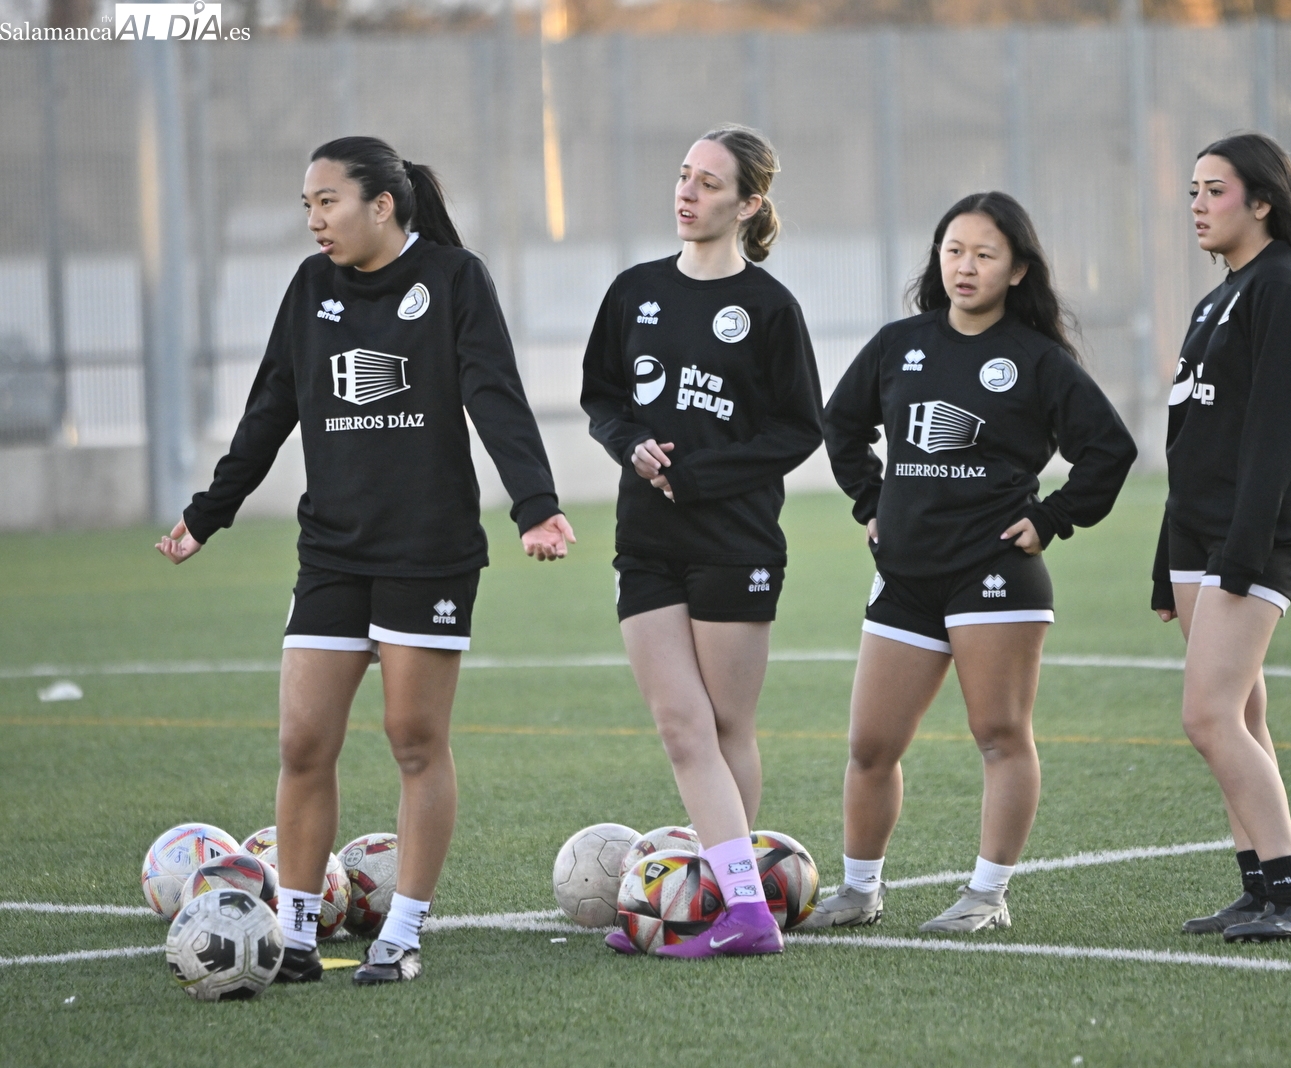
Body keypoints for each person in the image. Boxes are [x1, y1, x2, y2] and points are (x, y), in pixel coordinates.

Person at [156, 136, 575, 984]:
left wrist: (536, 504)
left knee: (414, 740)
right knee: (303, 741)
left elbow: (494, 393)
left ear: (381, 205)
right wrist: (208, 514)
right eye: (307, 205)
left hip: (428, 549)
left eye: (328, 202)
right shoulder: (311, 287)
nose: (314, 220)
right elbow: (271, 407)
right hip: (333, 550)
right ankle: (297, 934)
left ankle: (402, 933)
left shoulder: (454, 279)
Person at [808, 191, 1136, 933]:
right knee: (870, 745)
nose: (965, 266)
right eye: (953, 251)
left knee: (999, 735)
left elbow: (1108, 450)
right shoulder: (900, 344)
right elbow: (840, 423)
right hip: (905, 575)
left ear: (1017, 270)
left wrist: (1052, 518)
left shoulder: (1037, 359)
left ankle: (987, 893)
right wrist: (871, 503)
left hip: (994, 574)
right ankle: (858, 892)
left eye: (985, 255)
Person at [580, 124, 823, 958]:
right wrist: (629, 446)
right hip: (646, 542)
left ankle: (734, 907)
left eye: (709, 183)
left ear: (749, 204)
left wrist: (702, 474)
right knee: (681, 727)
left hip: (735, 542)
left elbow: (799, 429)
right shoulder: (634, 291)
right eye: (684, 175)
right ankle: (733, 909)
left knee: (724, 730)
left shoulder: (770, 308)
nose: (687, 192)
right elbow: (602, 398)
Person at [1152, 132, 1291, 942]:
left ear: (1262, 202)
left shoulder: (1286, 287)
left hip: (1250, 538)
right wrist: (1166, 559)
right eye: (1192, 190)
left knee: (1209, 716)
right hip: (1198, 538)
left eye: (1215, 190)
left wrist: (1243, 548)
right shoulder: (1218, 297)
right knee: (1243, 715)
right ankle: (1260, 888)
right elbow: (1191, 438)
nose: (1198, 205)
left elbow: (1278, 436)